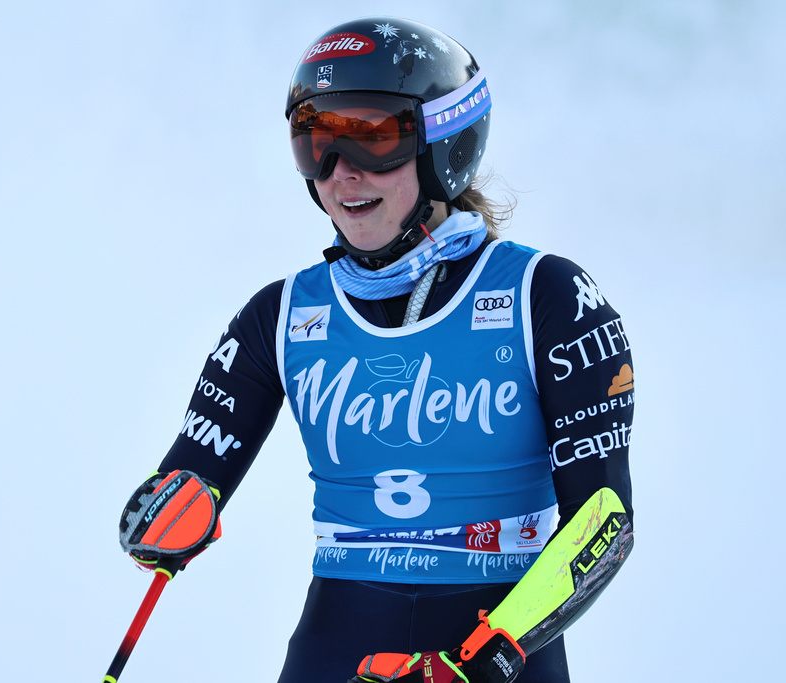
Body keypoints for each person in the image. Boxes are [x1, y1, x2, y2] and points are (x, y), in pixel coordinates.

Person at [118, 16, 634, 683]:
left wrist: (482, 660)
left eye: (372, 139)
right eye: (316, 143)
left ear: (443, 145)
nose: (341, 175)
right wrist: (165, 514)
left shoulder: (548, 297)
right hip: (338, 645)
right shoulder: (280, 316)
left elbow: (604, 521)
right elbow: (186, 479)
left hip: (496, 653)